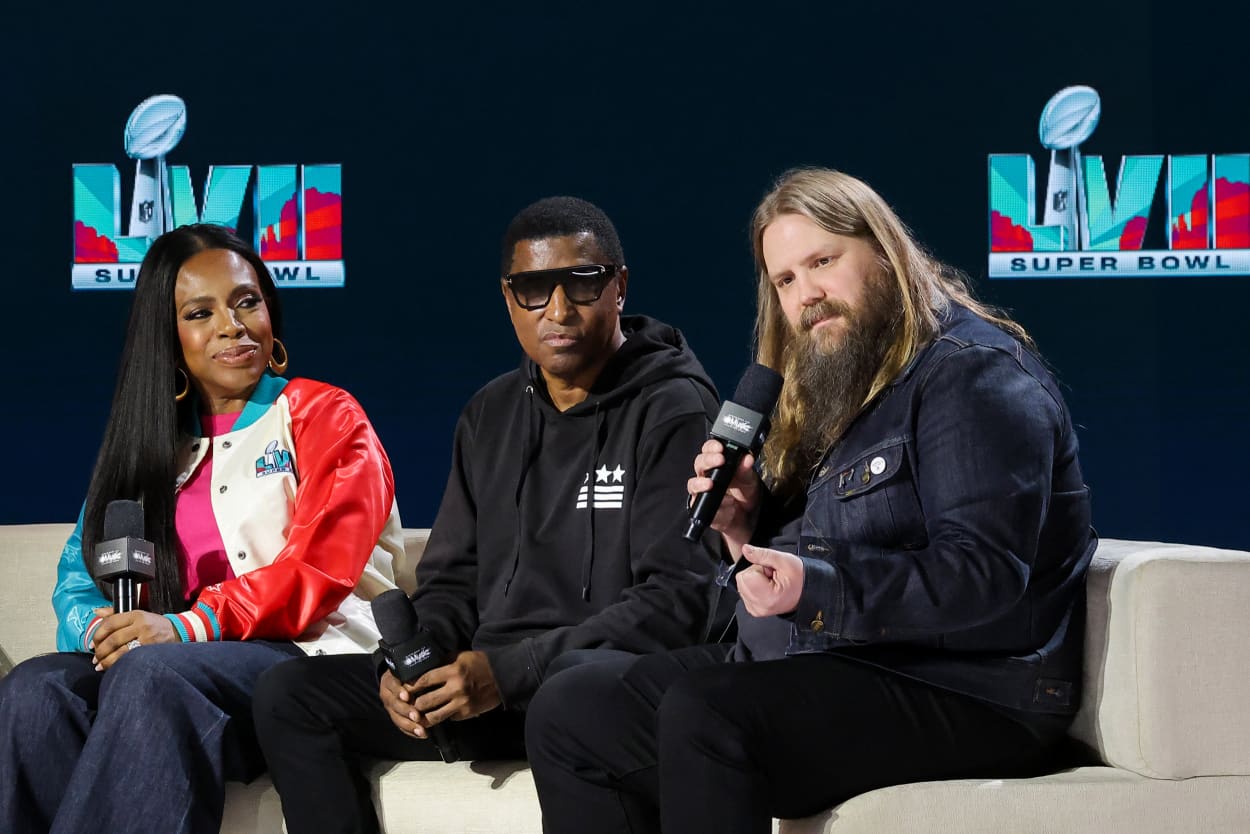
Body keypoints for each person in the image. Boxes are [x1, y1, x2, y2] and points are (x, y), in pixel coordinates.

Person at [525, 168, 1097, 834]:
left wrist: (816, 587)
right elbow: (820, 555)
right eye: (786, 281)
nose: (807, 296)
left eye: (823, 261)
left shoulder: (971, 375)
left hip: (977, 690)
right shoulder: (842, 381)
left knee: (710, 710)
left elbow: (985, 576)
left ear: (884, 251)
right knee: (572, 706)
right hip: (844, 662)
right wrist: (744, 528)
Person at [252, 196, 725, 834]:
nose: (558, 311)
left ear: (619, 288)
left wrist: (513, 672)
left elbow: (679, 598)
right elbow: (451, 581)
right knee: (291, 696)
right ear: (509, 299)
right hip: (489, 685)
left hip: (593, 687)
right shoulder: (489, 415)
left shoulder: (672, 408)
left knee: (571, 694)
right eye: (533, 290)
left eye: (581, 284)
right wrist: (416, 666)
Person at [0, 224, 405, 834]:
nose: (231, 326)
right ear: (168, 337)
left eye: (247, 301)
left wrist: (188, 626)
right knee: (37, 690)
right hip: (172, 674)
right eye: (200, 312)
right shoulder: (145, 445)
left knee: (151, 674)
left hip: (309, 662)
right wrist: (105, 631)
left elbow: (318, 569)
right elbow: (80, 575)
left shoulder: (325, 414)